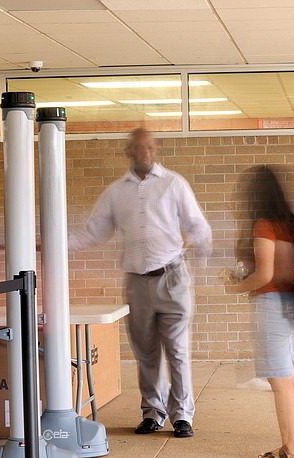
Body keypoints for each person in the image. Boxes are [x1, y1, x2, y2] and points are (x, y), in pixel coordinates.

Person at [69, 128, 212, 438]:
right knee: (146, 353)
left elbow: (198, 225)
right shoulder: (116, 192)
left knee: (177, 350)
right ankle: (152, 413)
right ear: (129, 152)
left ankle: (182, 416)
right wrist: (51, 243)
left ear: (155, 150)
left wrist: (200, 251)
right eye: (139, 147)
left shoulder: (174, 184)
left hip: (172, 277)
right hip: (137, 281)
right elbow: (92, 233)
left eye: (150, 146)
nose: (146, 152)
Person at [226, 165, 294, 458]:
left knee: (280, 381)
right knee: (291, 376)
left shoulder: (264, 225)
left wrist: (237, 287)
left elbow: (265, 273)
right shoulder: (289, 224)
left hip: (272, 307)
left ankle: (290, 450)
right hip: (291, 305)